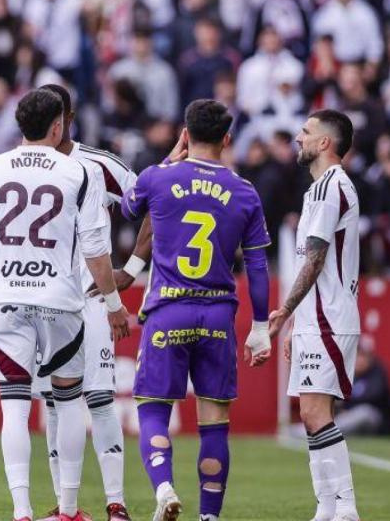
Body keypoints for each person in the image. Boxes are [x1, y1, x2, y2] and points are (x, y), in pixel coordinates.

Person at [0, 88, 130, 521]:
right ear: (58, 125)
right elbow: (96, 248)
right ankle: (69, 509)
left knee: (14, 405)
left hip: (5, 298)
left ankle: (21, 510)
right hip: (59, 298)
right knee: (69, 399)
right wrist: (112, 302)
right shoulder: (78, 171)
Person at [120, 99, 273, 521]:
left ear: (185, 134)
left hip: (169, 309)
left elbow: (127, 208)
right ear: (227, 139)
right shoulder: (244, 191)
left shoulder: (157, 177)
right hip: (218, 317)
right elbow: (257, 264)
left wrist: (169, 157)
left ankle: (165, 487)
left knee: (153, 409)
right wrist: (260, 326)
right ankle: (209, 516)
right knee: (214, 421)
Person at [33, 84, 137, 521]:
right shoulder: (24, 165)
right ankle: (65, 504)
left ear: (66, 120)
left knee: (98, 397)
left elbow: (151, 206)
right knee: (53, 402)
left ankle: (116, 502)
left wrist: (132, 269)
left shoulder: (100, 164)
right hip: (40, 296)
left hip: (90, 297)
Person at [269, 109, 362, 521]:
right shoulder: (317, 191)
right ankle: (326, 507)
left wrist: (285, 311)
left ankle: (345, 509)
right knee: (309, 416)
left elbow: (317, 259)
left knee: (315, 413)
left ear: (325, 143)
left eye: (306, 132)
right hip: (315, 317)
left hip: (329, 316)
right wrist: (296, 322)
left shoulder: (331, 187)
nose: (298, 138)